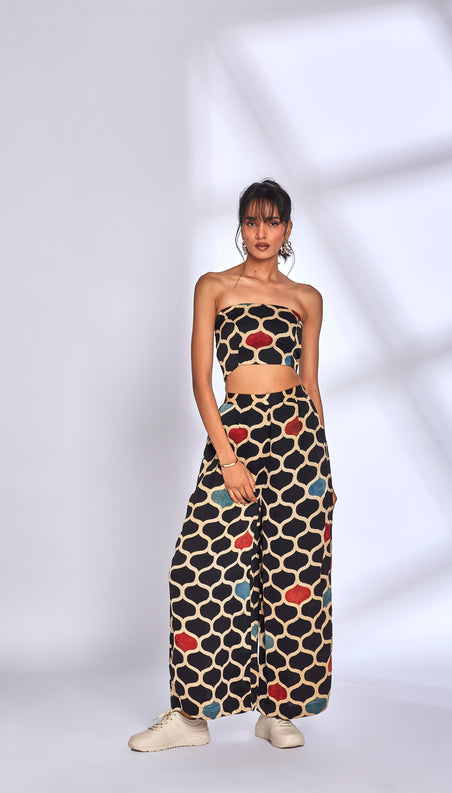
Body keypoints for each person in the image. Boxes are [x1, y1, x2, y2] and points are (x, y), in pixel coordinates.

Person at [128, 179, 336, 751]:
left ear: (287, 229)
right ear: (241, 227)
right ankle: (190, 716)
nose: (261, 232)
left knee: (293, 573)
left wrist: (323, 468)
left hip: (298, 439)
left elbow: (311, 385)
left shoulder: (307, 298)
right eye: (252, 221)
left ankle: (278, 710)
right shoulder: (214, 287)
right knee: (196, 567)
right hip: (236, 430)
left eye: (272, 221)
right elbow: (202, 380)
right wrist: (227, 457)